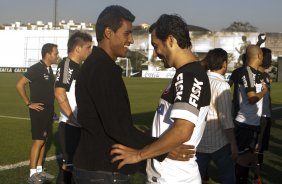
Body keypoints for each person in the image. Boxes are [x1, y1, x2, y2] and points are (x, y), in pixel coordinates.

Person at [72, 6, 194, 184]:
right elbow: (117, 127)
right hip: (103, 169)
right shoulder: (102, 68)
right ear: (108, 33)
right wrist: (163, 148)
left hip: (96, 167)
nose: (131, 40)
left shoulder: (98, 65)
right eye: (127, 34)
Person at [111, 14, 211, 184]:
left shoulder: (189, 76)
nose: (156, 53)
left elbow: (182, 131)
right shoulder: (186, 74)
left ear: (170, 40)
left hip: (174, 178)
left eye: (156, 46)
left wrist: (138, 155)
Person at [16, 43, 59, 183]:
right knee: (38, 140)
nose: (57, 56)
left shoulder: (49, 69)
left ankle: (40, 171)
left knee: (44, 140)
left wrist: (52, 111)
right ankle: (32, 174)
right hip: (38, 110)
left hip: (48, 110)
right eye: (55, 53)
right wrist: (29, 103)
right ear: (47, 54)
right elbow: (19, 84)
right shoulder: (36, 69)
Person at [54, 31, 92, 183]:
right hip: (70, 125)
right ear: (78, 49)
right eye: (88, 47)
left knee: (77, 166)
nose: (90, 50)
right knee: (69, 167)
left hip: (78, 124)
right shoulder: (67, 64)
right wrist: (72, 118)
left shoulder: (78, 67)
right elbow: (59, 92)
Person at [196, 48, 238, 184]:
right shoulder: (222, 85)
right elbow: (225, 118)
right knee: (228, 179)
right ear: (224, 64)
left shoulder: (198, 81)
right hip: (219, 143)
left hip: (198, 141)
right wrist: (233, 143)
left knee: (195, 179)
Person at [234, 45, 267, 184]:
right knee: (243, 159)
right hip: (245, 124)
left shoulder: (256, 73)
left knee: (250, 156)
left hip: (253, 123)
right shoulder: (247, 72)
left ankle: (252, 179)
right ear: (259, 55)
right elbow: (252, 98)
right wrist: (264, 92)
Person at [257, 47, 272, 169]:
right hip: (257, 117)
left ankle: (257, 175)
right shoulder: (253, 74)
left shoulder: (266, 75)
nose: (270, 61)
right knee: (255, 145)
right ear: (260, 57)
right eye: (268, 58)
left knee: (262, 147)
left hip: (267, 116)